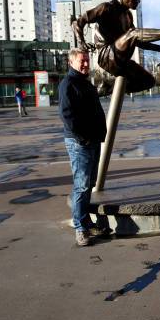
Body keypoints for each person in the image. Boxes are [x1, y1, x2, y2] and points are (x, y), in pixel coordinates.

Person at [72, 0, 160, 95]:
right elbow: (78, 23)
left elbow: (138, 41)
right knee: (132, 33)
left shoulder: (128, 16)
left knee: (149, 81)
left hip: (123, 61)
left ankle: (108, 88)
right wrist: (82, 42)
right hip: (107, 56)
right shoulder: (106, 8)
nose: (138, 0)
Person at [59, 48, 109, 247]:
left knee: (88, 183)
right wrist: (82, 138)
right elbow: (67, 115)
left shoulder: (84, 82)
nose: (86, 64)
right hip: (80, 142)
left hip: (92, 140)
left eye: (87, 60)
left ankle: (85, 220)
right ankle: (80, 227)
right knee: (81, 184)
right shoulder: (68, 84)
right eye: (82, 61)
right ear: (71, 63)